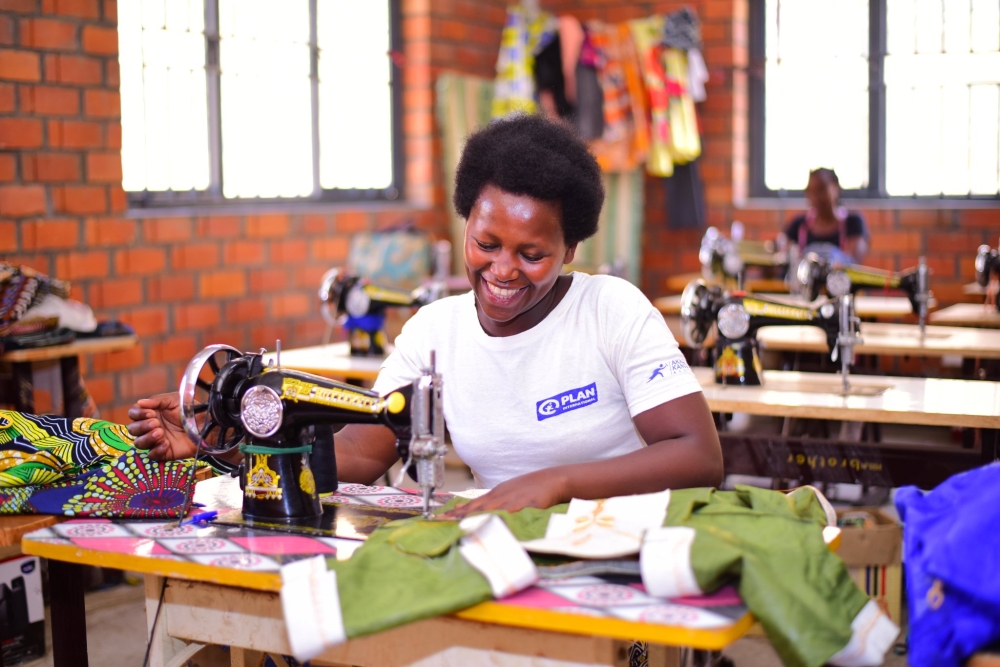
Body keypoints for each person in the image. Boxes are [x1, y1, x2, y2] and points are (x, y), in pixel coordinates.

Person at [127, 114, 723, 516]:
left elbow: (699, 455)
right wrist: (230, 441)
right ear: (465, 223)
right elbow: (363, 455)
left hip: (624, 546)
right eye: (486, 243)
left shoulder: (611, 310)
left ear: (570, 250)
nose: (503, 270)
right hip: (510, 550)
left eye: (532, 254)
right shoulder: (437, 332)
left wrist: (557, 482)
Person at [782, 168, 869, 265]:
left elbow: (853, 264)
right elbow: (783, 256)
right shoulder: (799, 225)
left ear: (836, 187)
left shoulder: (853, 223)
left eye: (821, 189)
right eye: (810, 191)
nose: (815, 197)